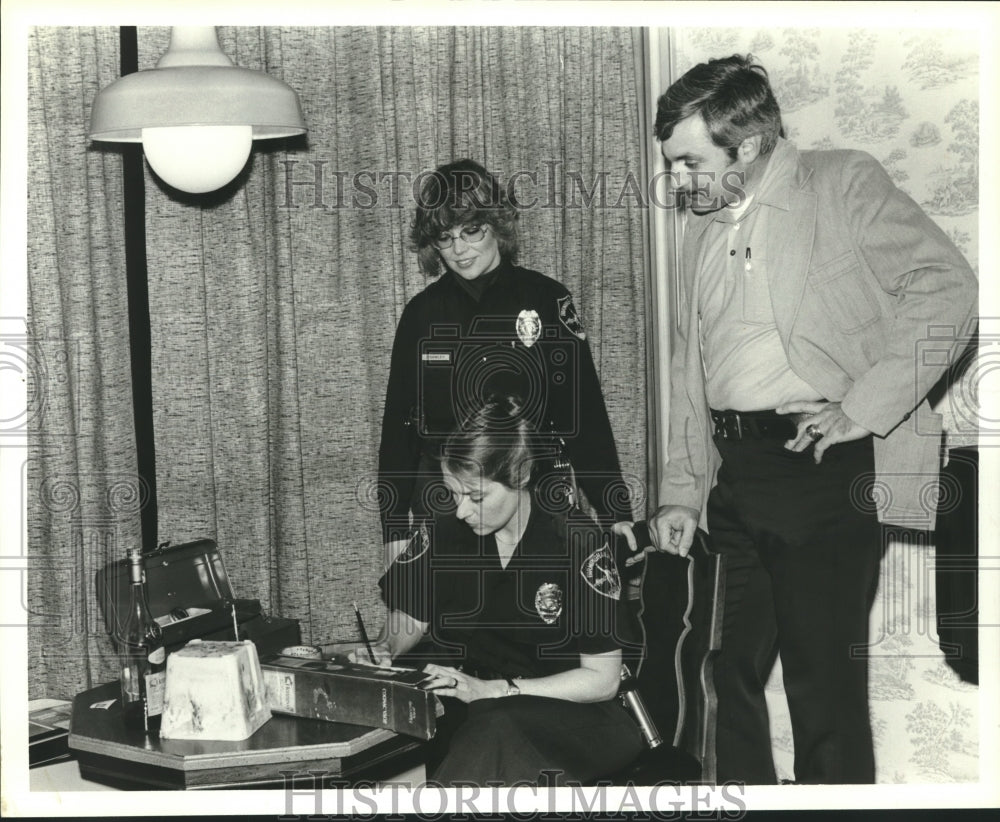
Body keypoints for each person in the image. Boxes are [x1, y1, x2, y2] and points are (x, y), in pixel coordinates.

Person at [647, 55, 977, 784]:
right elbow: (688, 372)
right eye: (672, 164)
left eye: (691, 162)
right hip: (734, 478)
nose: (677, 181)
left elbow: (949, 289)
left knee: (820, 692)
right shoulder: (699, 226)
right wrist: (682, 492)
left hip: (820, 471)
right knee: (719, 673)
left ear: (748, 146)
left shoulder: (840, 183)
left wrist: (861, 407)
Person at [365, 394, 644, 786]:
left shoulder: (577, 541)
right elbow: (411, 615)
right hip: (478, 705)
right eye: (453, 493)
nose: (461, 510)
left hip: (577, 714)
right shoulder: (447, 529)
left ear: (520, 476)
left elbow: (603, 680)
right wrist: (385, 647)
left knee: (494, 728)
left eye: (476, 496)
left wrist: (501, 690)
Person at [378, 159, 630, 568]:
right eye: (445, 237)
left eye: (471, 231)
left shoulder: (546, 300)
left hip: (533, 502)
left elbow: (584, 416)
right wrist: (394, 529)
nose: (459, 250)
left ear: (497, 223)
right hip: (447, 506)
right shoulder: (421, 315)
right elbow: (398, 431)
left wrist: (615, 511)